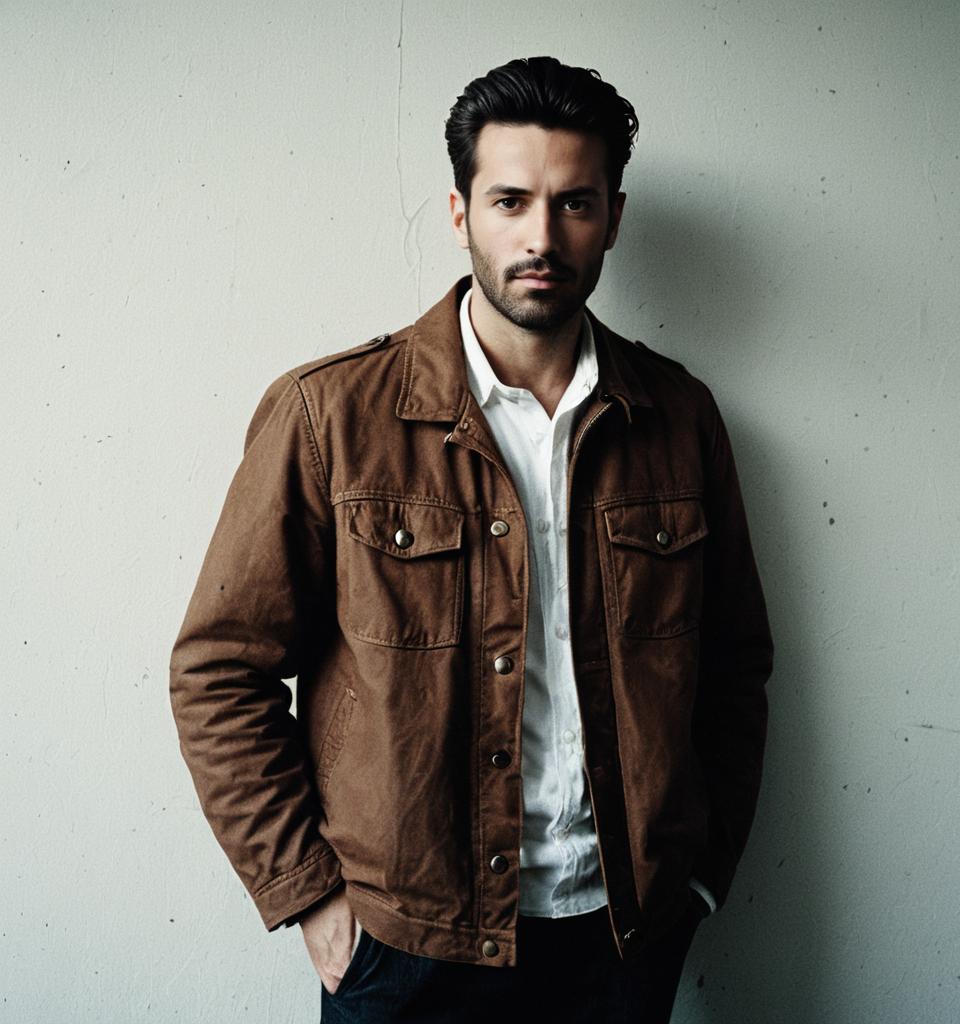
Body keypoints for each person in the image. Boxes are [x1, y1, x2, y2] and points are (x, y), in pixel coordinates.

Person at [169, 56, 774, 1024]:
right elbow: (218, 668)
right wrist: (309, 895)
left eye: (574, 203)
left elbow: (733, 663)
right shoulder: (331, 415)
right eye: (509, 200)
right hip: (406, 944)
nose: (541, 236)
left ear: (613, 217)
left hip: (624, 931)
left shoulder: (678, 415)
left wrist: (699, 877)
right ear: (460, 213)